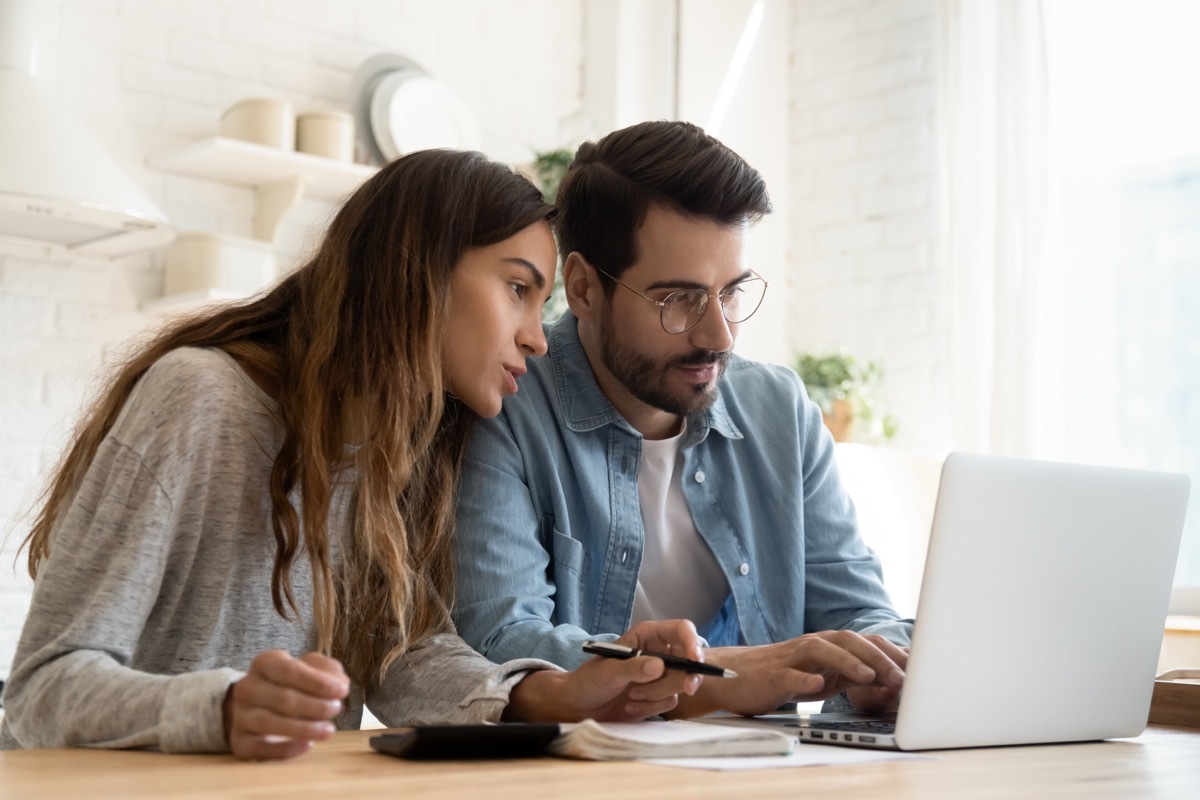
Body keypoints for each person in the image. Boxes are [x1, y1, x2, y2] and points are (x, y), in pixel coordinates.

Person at [0, 149, 707, 760]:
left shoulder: (402, 452)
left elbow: (402, 655)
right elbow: (42, 686)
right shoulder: (200, 399)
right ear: (417, 271)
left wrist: (552, 694)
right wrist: (220, 709)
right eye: (517, 288)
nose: (538, 338)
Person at [452, 121, 912, 719]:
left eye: (732, 293)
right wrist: (719, 678)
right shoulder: (502, 405)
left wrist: (883, 669)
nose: (718, 335)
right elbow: (501, 641)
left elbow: (858, 610)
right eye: (680, 300)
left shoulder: (780, 411)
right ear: (586, 289)